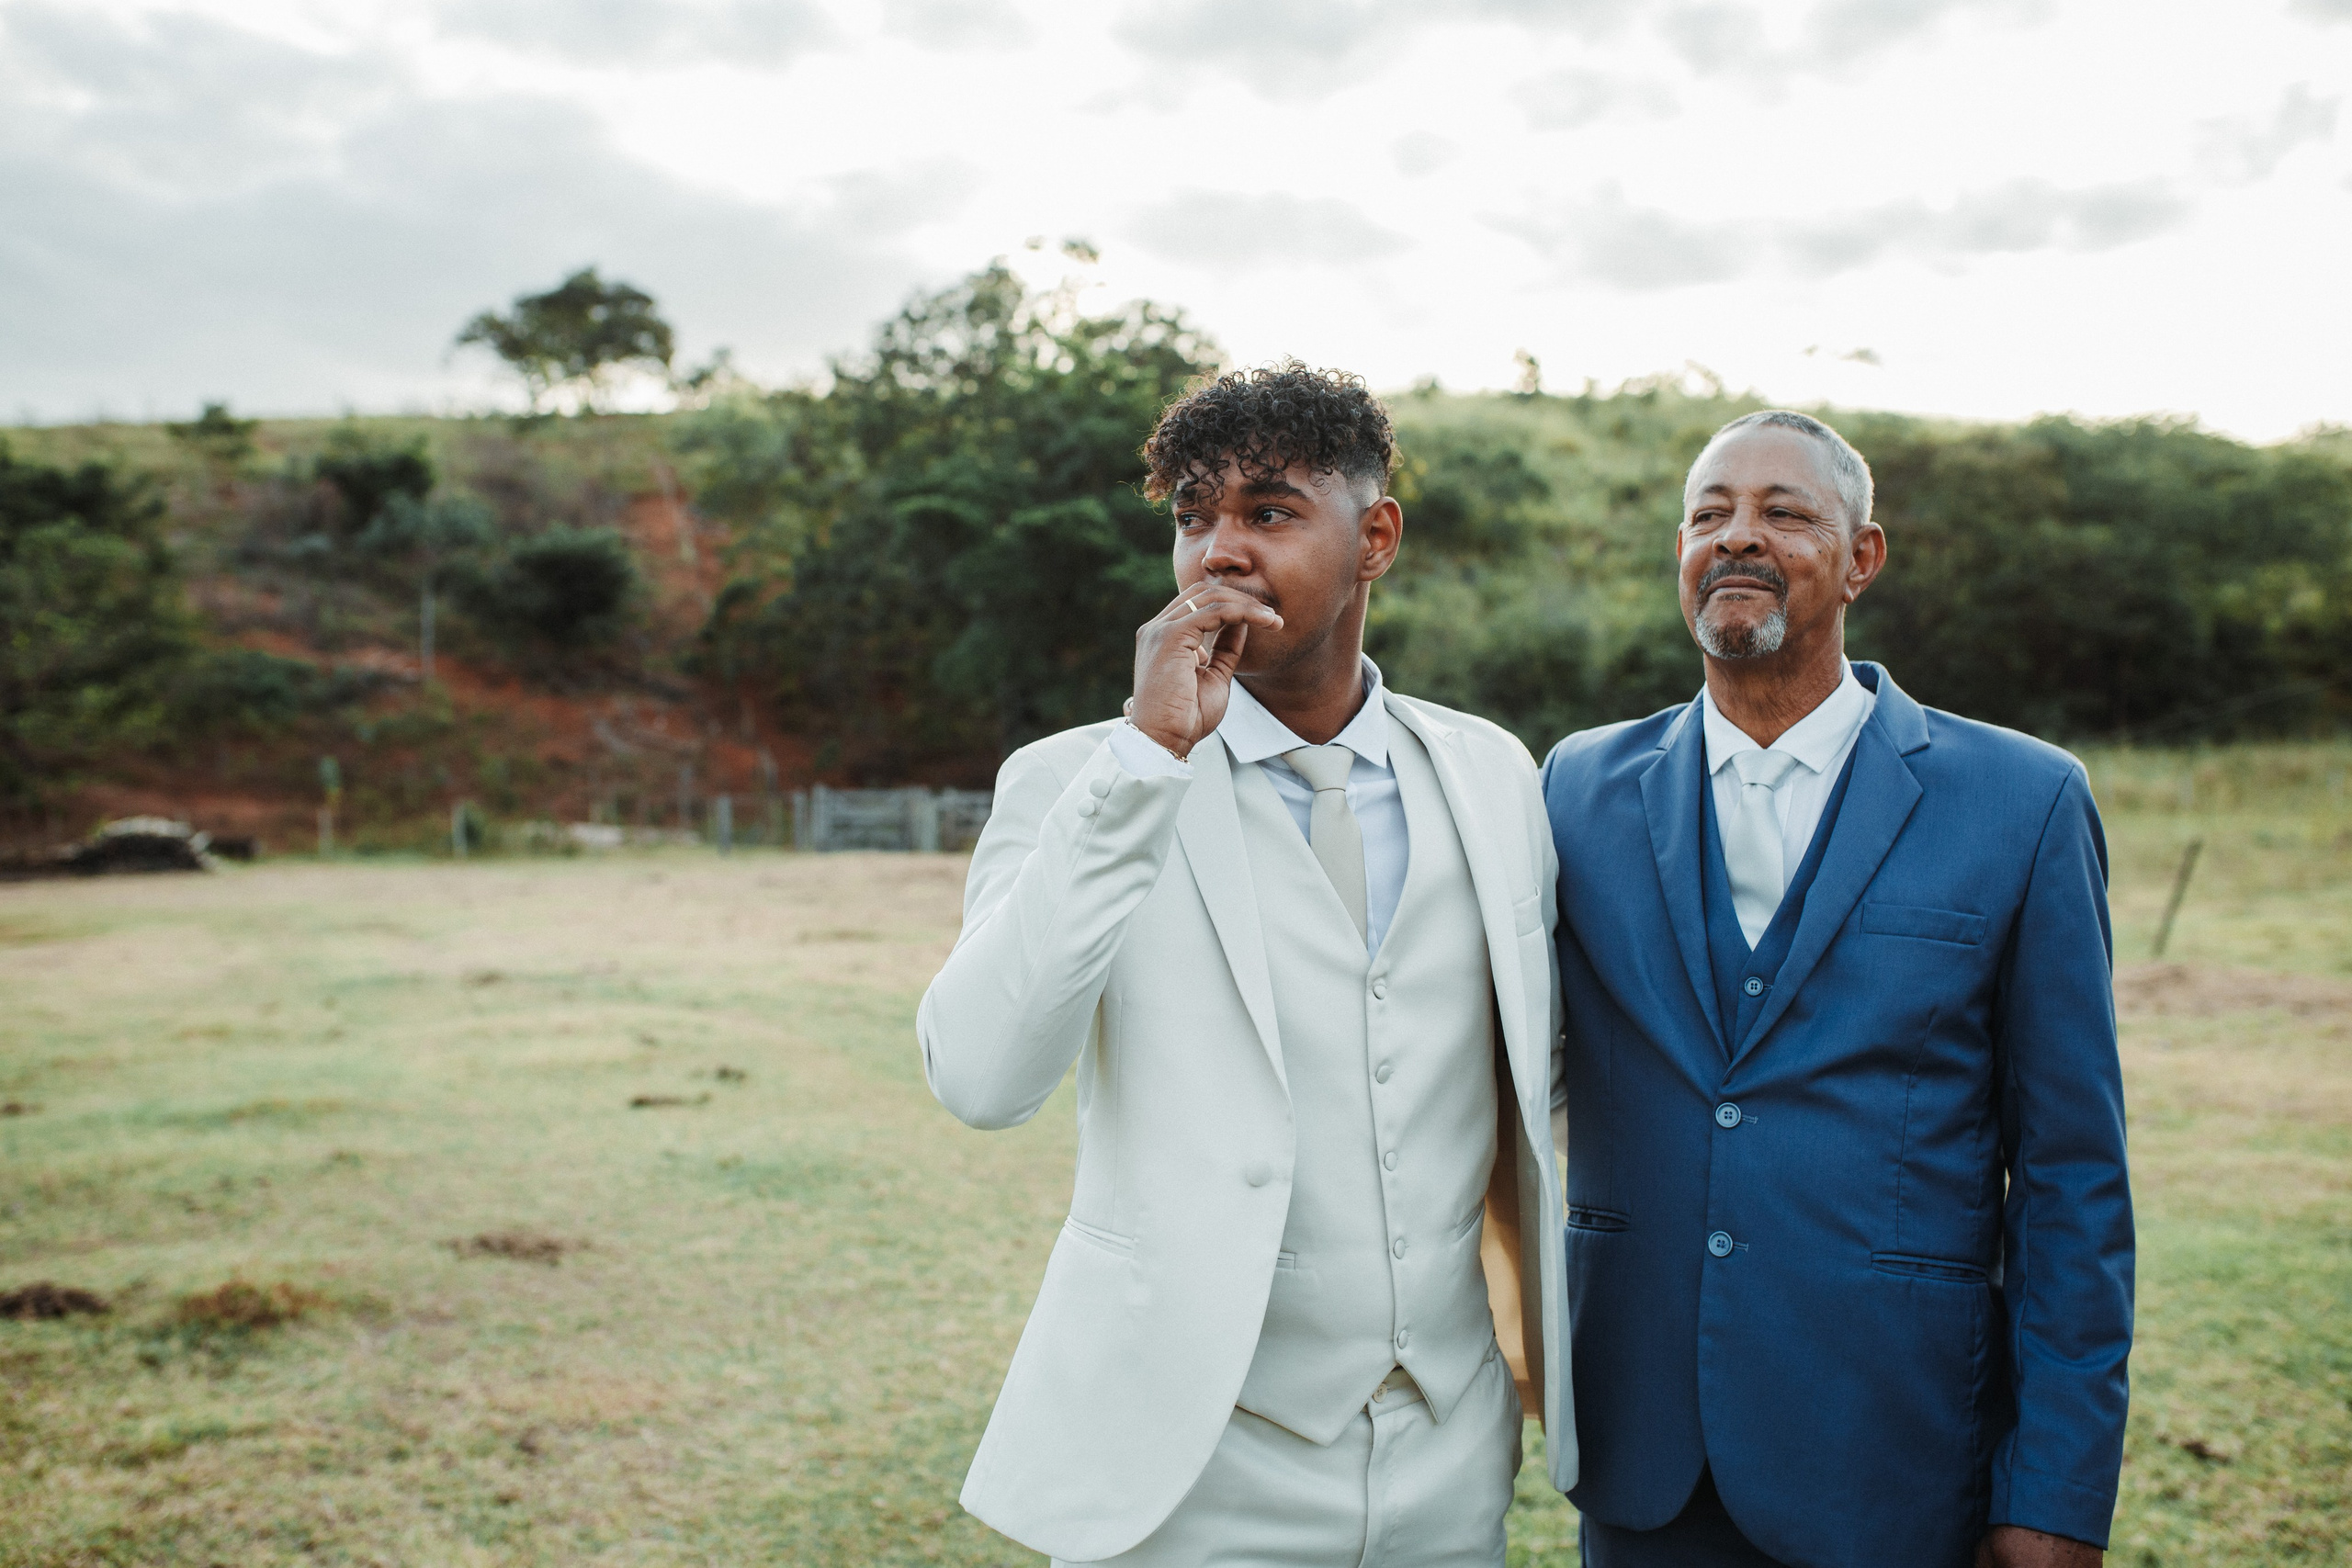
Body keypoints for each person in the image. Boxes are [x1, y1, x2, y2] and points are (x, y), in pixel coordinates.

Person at [919, 363, 1570, 1567]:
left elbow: (1535, 1085)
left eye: (1267, 512)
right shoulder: (1075, 780)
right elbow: (979, 1074)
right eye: (1190, 514)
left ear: (1374, 536)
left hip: (1449, 1454)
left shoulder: (1493, 774)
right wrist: (1148, 759)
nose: (1218, 549)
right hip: (1186, 1469)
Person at [1539, 410, 2133, 1568]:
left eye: (1785, 512)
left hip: (1895, 1447)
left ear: (1861, 558)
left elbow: (2072, 1175)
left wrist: (2056, 1491)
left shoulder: (2022, 800)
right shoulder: (1576, 786)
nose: (1737, 537)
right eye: (1708, 515)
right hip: (1640, 1447)